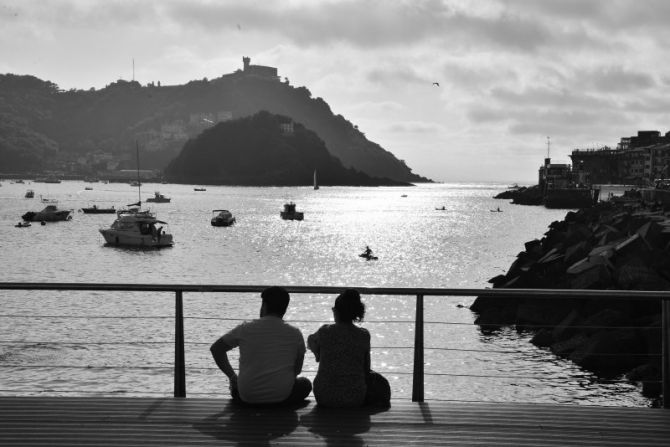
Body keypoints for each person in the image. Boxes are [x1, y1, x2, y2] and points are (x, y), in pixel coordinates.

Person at [210, 286, 312, 406]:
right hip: (282, 396)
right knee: (305, 384)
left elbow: (216, 349)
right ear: (284, 309)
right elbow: (297, 370)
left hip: (246, 397)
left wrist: (232, 377)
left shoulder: (245, 329)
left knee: (238, 387)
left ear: (264, 305)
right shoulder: (295, 333)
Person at [307, 289, 391, 408]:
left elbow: (310, 340)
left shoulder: (324, 332)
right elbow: (365, 369)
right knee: (379, 381)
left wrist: (318, 355)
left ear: (336, 311)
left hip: (324, 396)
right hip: (354, 398)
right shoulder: (364, 335)